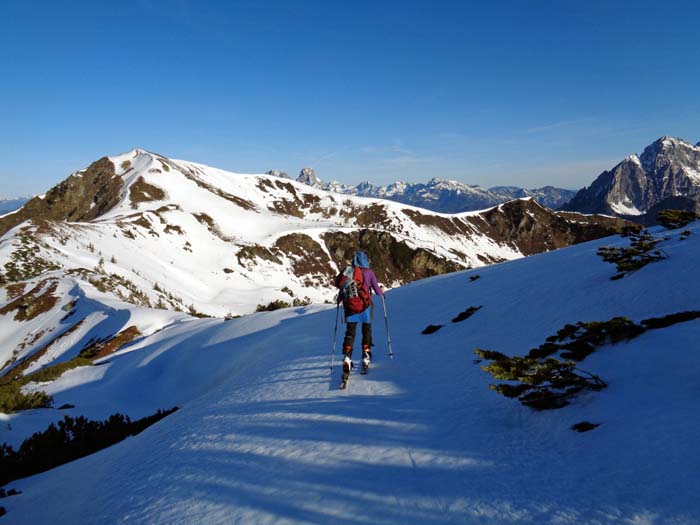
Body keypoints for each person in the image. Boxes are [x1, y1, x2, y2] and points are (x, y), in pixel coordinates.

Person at [340, 250, 383, 374]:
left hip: (350, 308)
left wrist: (340, 301)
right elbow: (377, 291)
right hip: (365, 307)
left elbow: (342, 290)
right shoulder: (370, 273)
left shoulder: (349, 272)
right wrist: (382, 291)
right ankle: (366, 355)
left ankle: (347, 357)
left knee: (350, 333)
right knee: (366, 331)